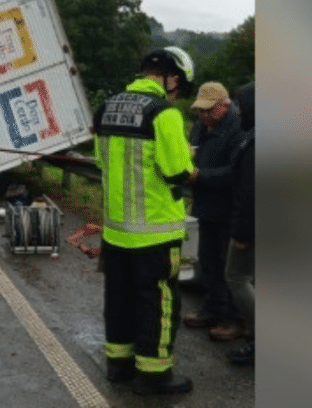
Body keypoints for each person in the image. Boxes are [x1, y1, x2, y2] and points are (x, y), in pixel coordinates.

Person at [93, 46, 197, 395]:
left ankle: (118, 366)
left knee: (118, 298)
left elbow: (99, 161)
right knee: (158, 304)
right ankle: (155, 376)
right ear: (171, 78)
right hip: (155, 233)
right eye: (179, 85)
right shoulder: (163, 113)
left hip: (116, 230)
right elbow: (177, 170)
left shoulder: (106, 108)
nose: (177, 91)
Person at [182, 82, 246, 341]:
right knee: (206, 259)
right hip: (205, 204)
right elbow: (192, 150)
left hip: (229, 207)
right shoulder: (200, 125)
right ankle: (212, 308)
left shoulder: (238, 129)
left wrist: (200, 176)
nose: (203, 115)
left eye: (209, 110)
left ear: (224, 105)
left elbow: (235, 172)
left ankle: (235, 318)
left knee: (227, 266)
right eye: (200, 110)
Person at [225, 81, 255, 365]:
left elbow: (249, 192)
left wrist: (242, 233)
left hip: (252, 227)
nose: (238, 110)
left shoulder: (253, 141)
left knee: (236, 277)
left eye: (241, 105)